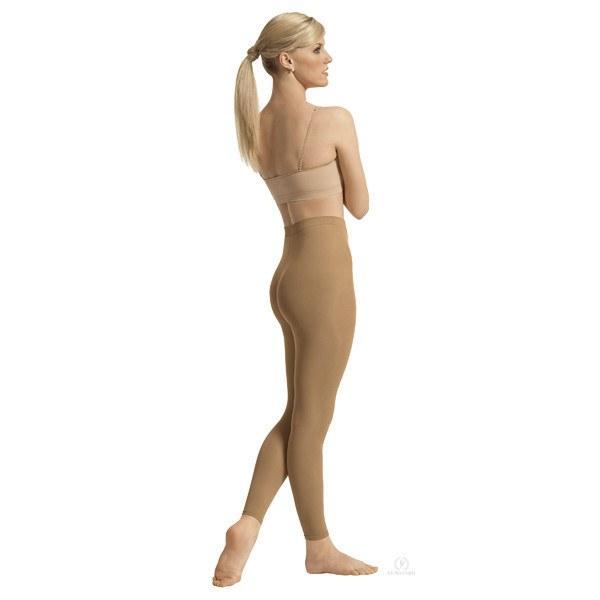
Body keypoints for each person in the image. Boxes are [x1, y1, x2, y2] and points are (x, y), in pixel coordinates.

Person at [212, 12, 374, 586]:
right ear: (287, 59)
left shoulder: (254, 126)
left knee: (297, 414)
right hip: (325, 278)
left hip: (286, 278)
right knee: (312, 422)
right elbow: (360, 205)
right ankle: (318, 547)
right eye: (318, 49)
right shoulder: (333, 119)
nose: (328, 59)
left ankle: (248, 524)